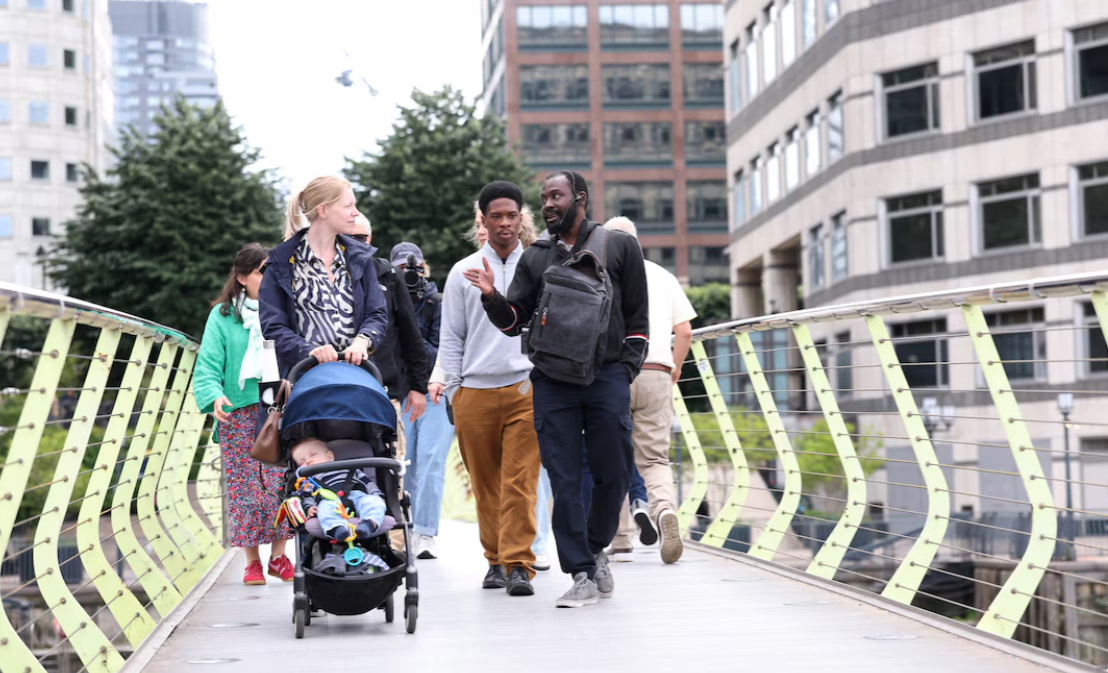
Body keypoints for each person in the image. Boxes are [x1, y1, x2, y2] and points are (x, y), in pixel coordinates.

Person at [469, 171, 649, 608]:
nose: (548, 204)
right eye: (544, 197)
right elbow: (514, 321)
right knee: (564, 480)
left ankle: (595, 545)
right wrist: (493, 297)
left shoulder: (619, 246)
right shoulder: (537, 256)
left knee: (615, 474)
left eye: (557, 196)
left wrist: (624, 370)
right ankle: (582, 570)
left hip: (606, 377)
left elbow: (639, 319)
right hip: (552, 383)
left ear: (580, 199)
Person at [431, 181, 542, 597]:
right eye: (495, 216)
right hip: (474, 392)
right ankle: (494, 559)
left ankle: (518, 565)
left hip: (524, 388)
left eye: (511, 215)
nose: (504, 223)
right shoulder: (463, 271)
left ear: (520, 217)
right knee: (485, 483)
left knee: (520, 481)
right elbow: (452, 336)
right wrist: (457, 389)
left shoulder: (536, 264)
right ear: (483, 220)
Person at [193, 243, 295, 585]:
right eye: (259, 272)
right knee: (246, 488)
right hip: (239, 410)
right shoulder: (223, 316)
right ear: (241, 278)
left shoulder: (285, 309)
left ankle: (279, 557)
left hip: (280, 406)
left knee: (282, 482)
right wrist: (214, 395)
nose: (267, 279)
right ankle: (252, 561)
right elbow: (207, 363)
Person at [603, 216, 694, 563]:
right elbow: (683, 330)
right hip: (657, 370)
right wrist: (675, 366)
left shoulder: (603, 274)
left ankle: (622, 538)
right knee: (654, 458)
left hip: (614, 375)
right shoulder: (662, 275)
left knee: (613, 457)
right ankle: (665, 511)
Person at [259, 176, 387, 380]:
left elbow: (377, 314)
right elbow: (273, 328)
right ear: (323, 210)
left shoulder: (361, 259)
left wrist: (362, 341)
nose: (356, 213)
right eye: (348, 206)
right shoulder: (280, 265)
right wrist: (307, 350)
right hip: (303, 380)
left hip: (357, 377)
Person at [389, 241, 454, 561]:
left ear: (423, 268)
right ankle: (401, 533)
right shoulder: (383, 301)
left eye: (412, 269)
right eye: (401, 269)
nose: (408, 275)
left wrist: (409, 331)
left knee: (431, 462)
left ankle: (426, 531)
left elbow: (441, 353)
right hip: (397, 395)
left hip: (434, 392)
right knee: (401, 467)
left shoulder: (438, 303)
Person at [291, 438, 387, 540]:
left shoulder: (350, 468)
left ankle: (368, 524)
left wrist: (376, 495)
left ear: (329, 456)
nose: (308, 461)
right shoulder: (309, 481)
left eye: (313, 455)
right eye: (302, 462)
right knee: (323, 509)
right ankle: (337, 529)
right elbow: (306, 496)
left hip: (357, 495)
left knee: (373, 502)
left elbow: (368, 483)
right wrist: (309, 508)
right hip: (329, 501)